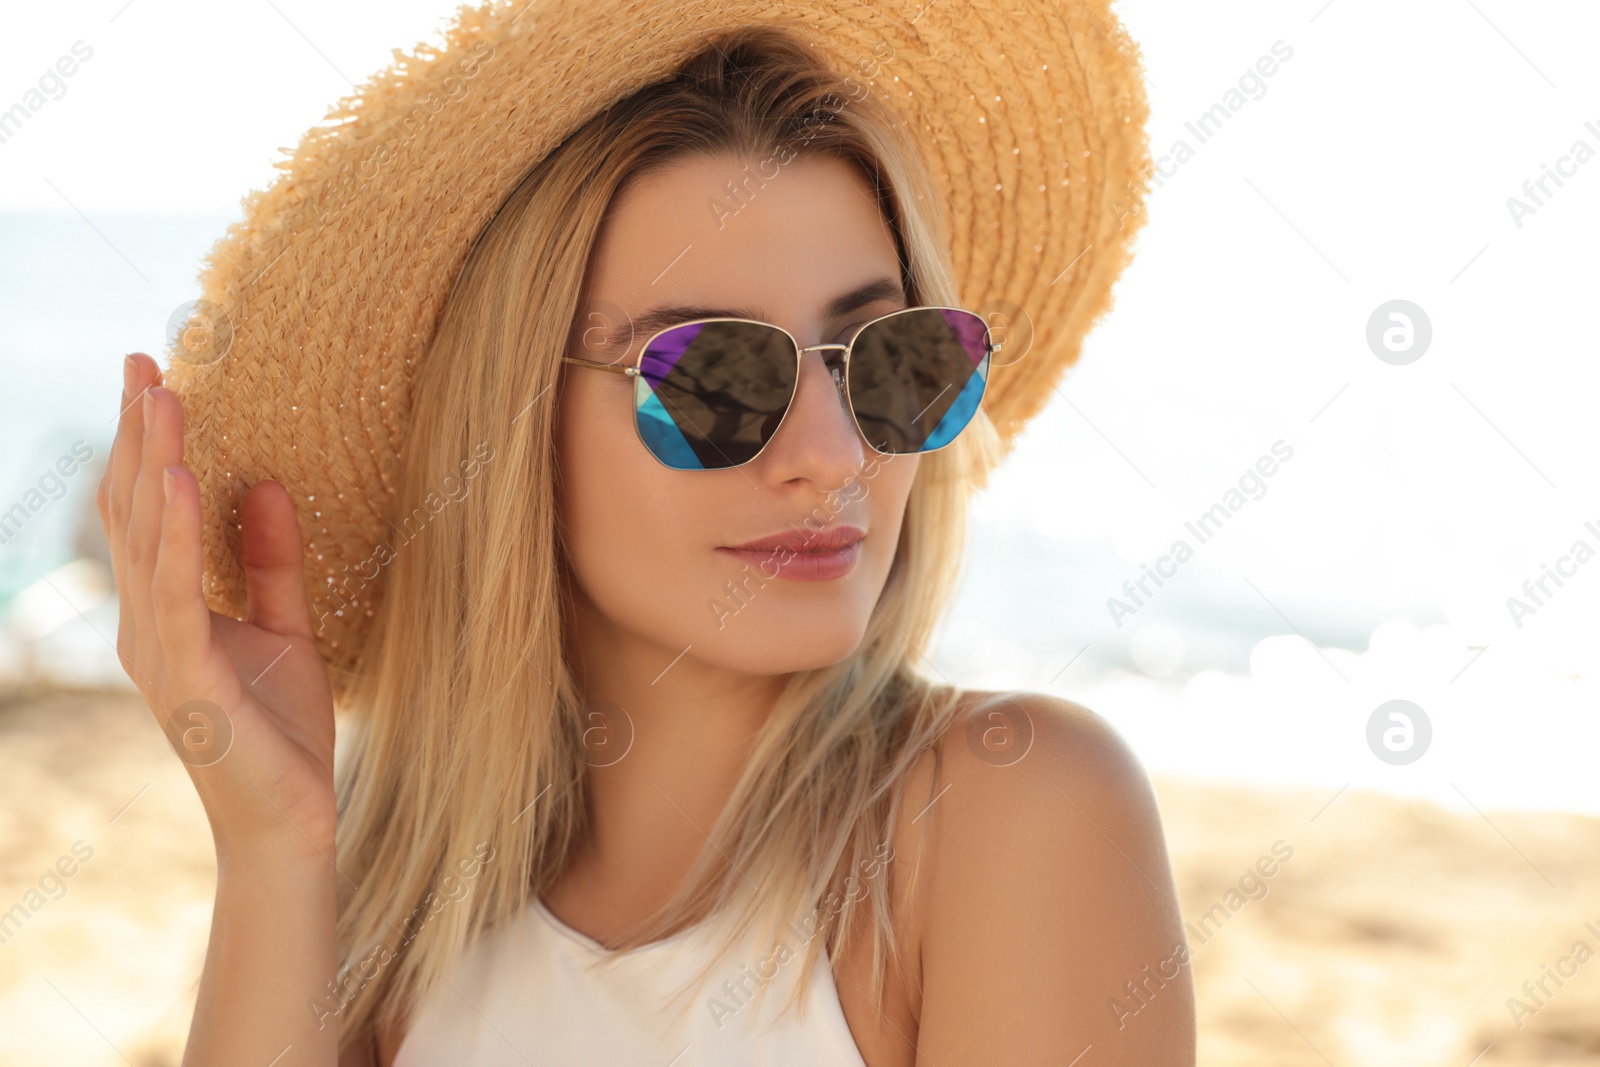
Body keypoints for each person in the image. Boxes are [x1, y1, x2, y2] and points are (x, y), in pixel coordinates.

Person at [100, 4, 1193, 1064]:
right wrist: (273, 852)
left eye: (889, 357)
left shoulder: (1012, 808)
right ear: (515, 426)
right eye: (715, 376)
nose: (831, 453)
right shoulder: (394, 900)